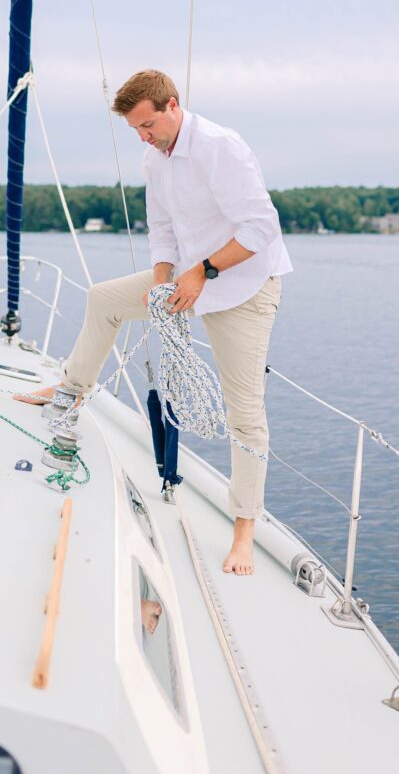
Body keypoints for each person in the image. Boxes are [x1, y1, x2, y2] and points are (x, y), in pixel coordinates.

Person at [18, 69, 292, 575]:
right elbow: (163, 229)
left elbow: (262, 228)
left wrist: (203, 272)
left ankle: (244, 530)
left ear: (171, 105)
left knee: (245, 412)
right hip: (186, 278)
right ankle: (71, 388)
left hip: (243, 288)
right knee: (104, 299)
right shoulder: (154, 159)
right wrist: (164, 279)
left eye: (148, 126)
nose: (144, 138)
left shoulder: (219, 147)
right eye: (136, 131)